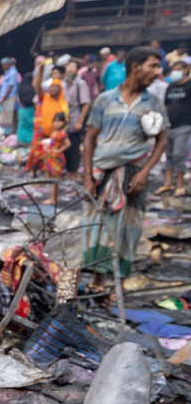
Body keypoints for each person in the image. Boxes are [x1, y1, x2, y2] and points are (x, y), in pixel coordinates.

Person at [83, 46, 168, 288]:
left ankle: (118, 285)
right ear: (135, 67)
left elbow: (162, 141)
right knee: (99, 226)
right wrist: (88, 177)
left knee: (129, 228)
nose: (157, 72)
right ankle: (98, 281)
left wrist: (144, 172)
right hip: (103, 173)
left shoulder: (153, 103)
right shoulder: (105, 99)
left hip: (133, 174)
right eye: (153, 66)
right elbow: (89, 140)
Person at [160, 60, 191, 196]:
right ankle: (168, 184)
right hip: (169, 125)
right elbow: (167, 105)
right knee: (169, 155)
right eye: (173, 70)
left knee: (178, 154)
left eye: (178, 69)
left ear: (186, 70)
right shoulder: (170, 87)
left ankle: (180, 185)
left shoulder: (189, 85)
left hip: (184, 125)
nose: (175, 72)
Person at [27, 110, 70, 204]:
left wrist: (58, 150)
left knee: (56, 180)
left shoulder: (62, 133)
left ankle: (54, 198)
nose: (57, 123)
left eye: (59, 121)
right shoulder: (54, 132)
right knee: (53, 178)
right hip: (51, 158)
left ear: (64, 122)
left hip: (57, 159)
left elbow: (68, 144)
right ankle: (54, 196)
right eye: (55, 121)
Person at [63, 59, 91, 181]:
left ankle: (74, 171)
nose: (70, 70)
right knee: (66, 146)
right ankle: (68, 170)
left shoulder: (80, 84)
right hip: (64, 121)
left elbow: (86, 103)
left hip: (75, 119)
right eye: (68, 67)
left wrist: (80, 121)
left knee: (74, 146)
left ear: (77, 70)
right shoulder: (64, 84)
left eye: (73, 68)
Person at [0, 56, 19, 134]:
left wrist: (3, 98)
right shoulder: (8, 72)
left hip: (9, 98)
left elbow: (10, 86)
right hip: (4, 97)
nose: (2, 66)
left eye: (4, 65)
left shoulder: (13, 72)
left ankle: (7, 134)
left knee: (7, 117)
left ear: (9, 64)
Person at [17, 73, 36, 149]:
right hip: (30, 110)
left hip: (22, 110)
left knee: (22, 126)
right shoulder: (31, 89)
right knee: (30, 127)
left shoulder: (20, 88)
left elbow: (18, 99)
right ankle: (29, 143)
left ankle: (20, 142)